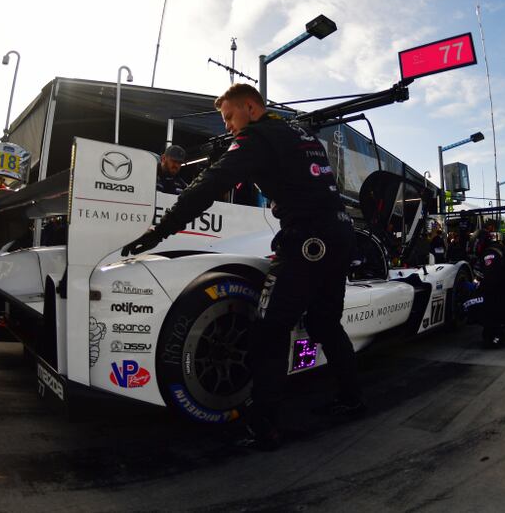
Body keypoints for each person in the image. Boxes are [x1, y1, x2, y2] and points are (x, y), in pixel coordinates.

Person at [121, 83, 360, 450]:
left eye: (229, 117)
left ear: (251, 107)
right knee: (323, 322)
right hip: (341, 234)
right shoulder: (296, 131)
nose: (228, 127)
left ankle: (263, 428)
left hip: (310, 238)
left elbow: (209, 185)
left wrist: (160, 231)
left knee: (269, 329)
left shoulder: (258, 137)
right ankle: (352, 399)